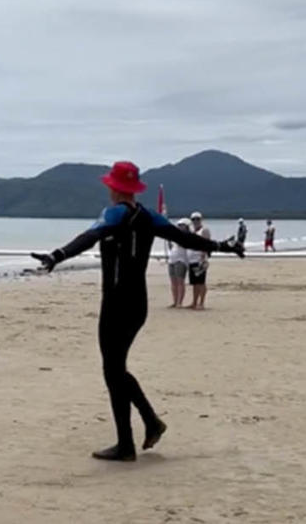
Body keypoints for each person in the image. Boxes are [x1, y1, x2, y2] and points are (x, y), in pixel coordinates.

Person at [31, 161, 243, 462]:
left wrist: (57, 255)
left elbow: (90, 236)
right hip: (137, 304)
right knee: (115, 369)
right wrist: (223, 246)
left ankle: (135, 436)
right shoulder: (149, 216)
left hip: (116, 302)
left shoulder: (113, 213)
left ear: (114, 187)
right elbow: (184, 238)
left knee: (112, 370)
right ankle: (142, 429)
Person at [187, 212, 212, 310]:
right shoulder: (193, 232)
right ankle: (194, 302)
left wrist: (203, 256)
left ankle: (202, 303)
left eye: (197, 219)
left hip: (200, 260)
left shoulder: (204, 230)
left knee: (201, 282)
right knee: (195, 283)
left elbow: (207, 244)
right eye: (193, 219)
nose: (195, 221)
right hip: (192, 260)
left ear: (201, 220)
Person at [166, 218, 192, 308]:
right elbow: (171, 247)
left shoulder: (187, 236)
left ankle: (179, 302)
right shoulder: (175, 235)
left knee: (180, 281)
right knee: (173, 282)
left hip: (181, 260)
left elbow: (183, 245)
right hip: (172, 259)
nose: (180, 227)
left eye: (182, 225)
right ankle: (175, 301)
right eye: (179, 225)